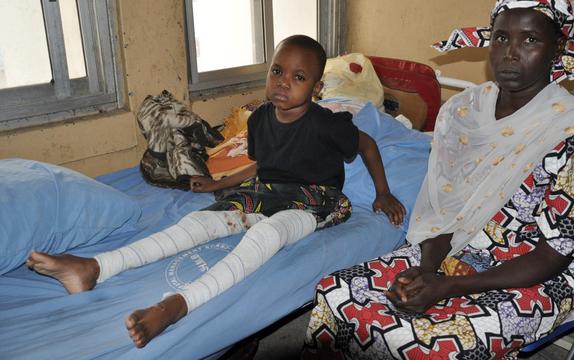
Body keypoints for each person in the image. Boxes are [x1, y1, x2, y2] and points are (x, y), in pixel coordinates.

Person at [25, 35, 406, 349]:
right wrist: (219, 184)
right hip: (267, 190)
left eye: (299, 76)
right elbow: (260, 165)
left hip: (316, 198)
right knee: (198, 223)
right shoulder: (258, 119)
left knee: (268, 234)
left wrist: (382, 192)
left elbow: (368, 146)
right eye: (277, 71)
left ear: (317, 87)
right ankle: (95, 267)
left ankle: (176, 305)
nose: (283, 82)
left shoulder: (328, 125)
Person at [302, 2, 574, 359]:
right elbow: (445, 209)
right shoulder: (465, 111)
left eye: (530, 39)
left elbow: (554, 254)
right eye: (502, 37)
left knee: (433, 342)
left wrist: (447, 286)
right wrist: (425, 270)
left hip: (539, 271)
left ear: (557, 49)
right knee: (337, 291)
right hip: (461, 246)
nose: (511, 53)